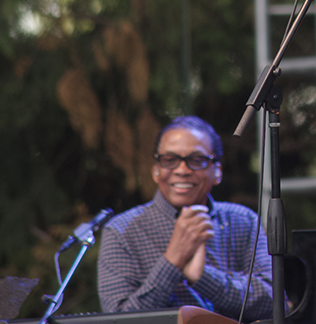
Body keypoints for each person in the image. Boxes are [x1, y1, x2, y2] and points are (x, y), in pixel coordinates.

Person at [97, 115, 273, 322]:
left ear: (217, 172)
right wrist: (172, 261)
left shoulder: (243, 221)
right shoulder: (120, 231)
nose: (182, 170)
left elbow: (274, 303)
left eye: (197, 160)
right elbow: (117, 320)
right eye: (169, 160)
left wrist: (203, 277)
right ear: (156, 170)